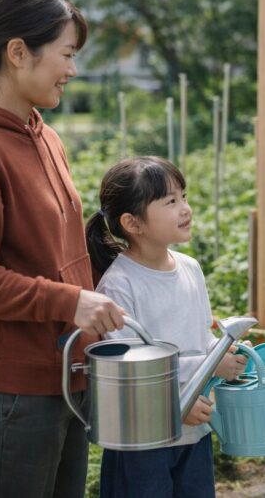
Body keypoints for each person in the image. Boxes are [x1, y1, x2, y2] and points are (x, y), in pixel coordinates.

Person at [0, 0, 128, 497]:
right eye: (65, 54)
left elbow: (52, 251)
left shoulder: (45, 135)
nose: (72, 70)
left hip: (63, 379)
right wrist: (71, 301)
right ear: (18, 53)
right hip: (8, 399)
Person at [86, 156, 248, 498]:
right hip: (142, 440)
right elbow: (128, 373)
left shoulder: (190, 268)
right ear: (133, 222)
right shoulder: (119, 286)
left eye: (184, 197)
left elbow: (199, 335)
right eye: (170, 202)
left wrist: (220, 352)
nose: (185, 208)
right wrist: (197, 377)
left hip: (194, 433)